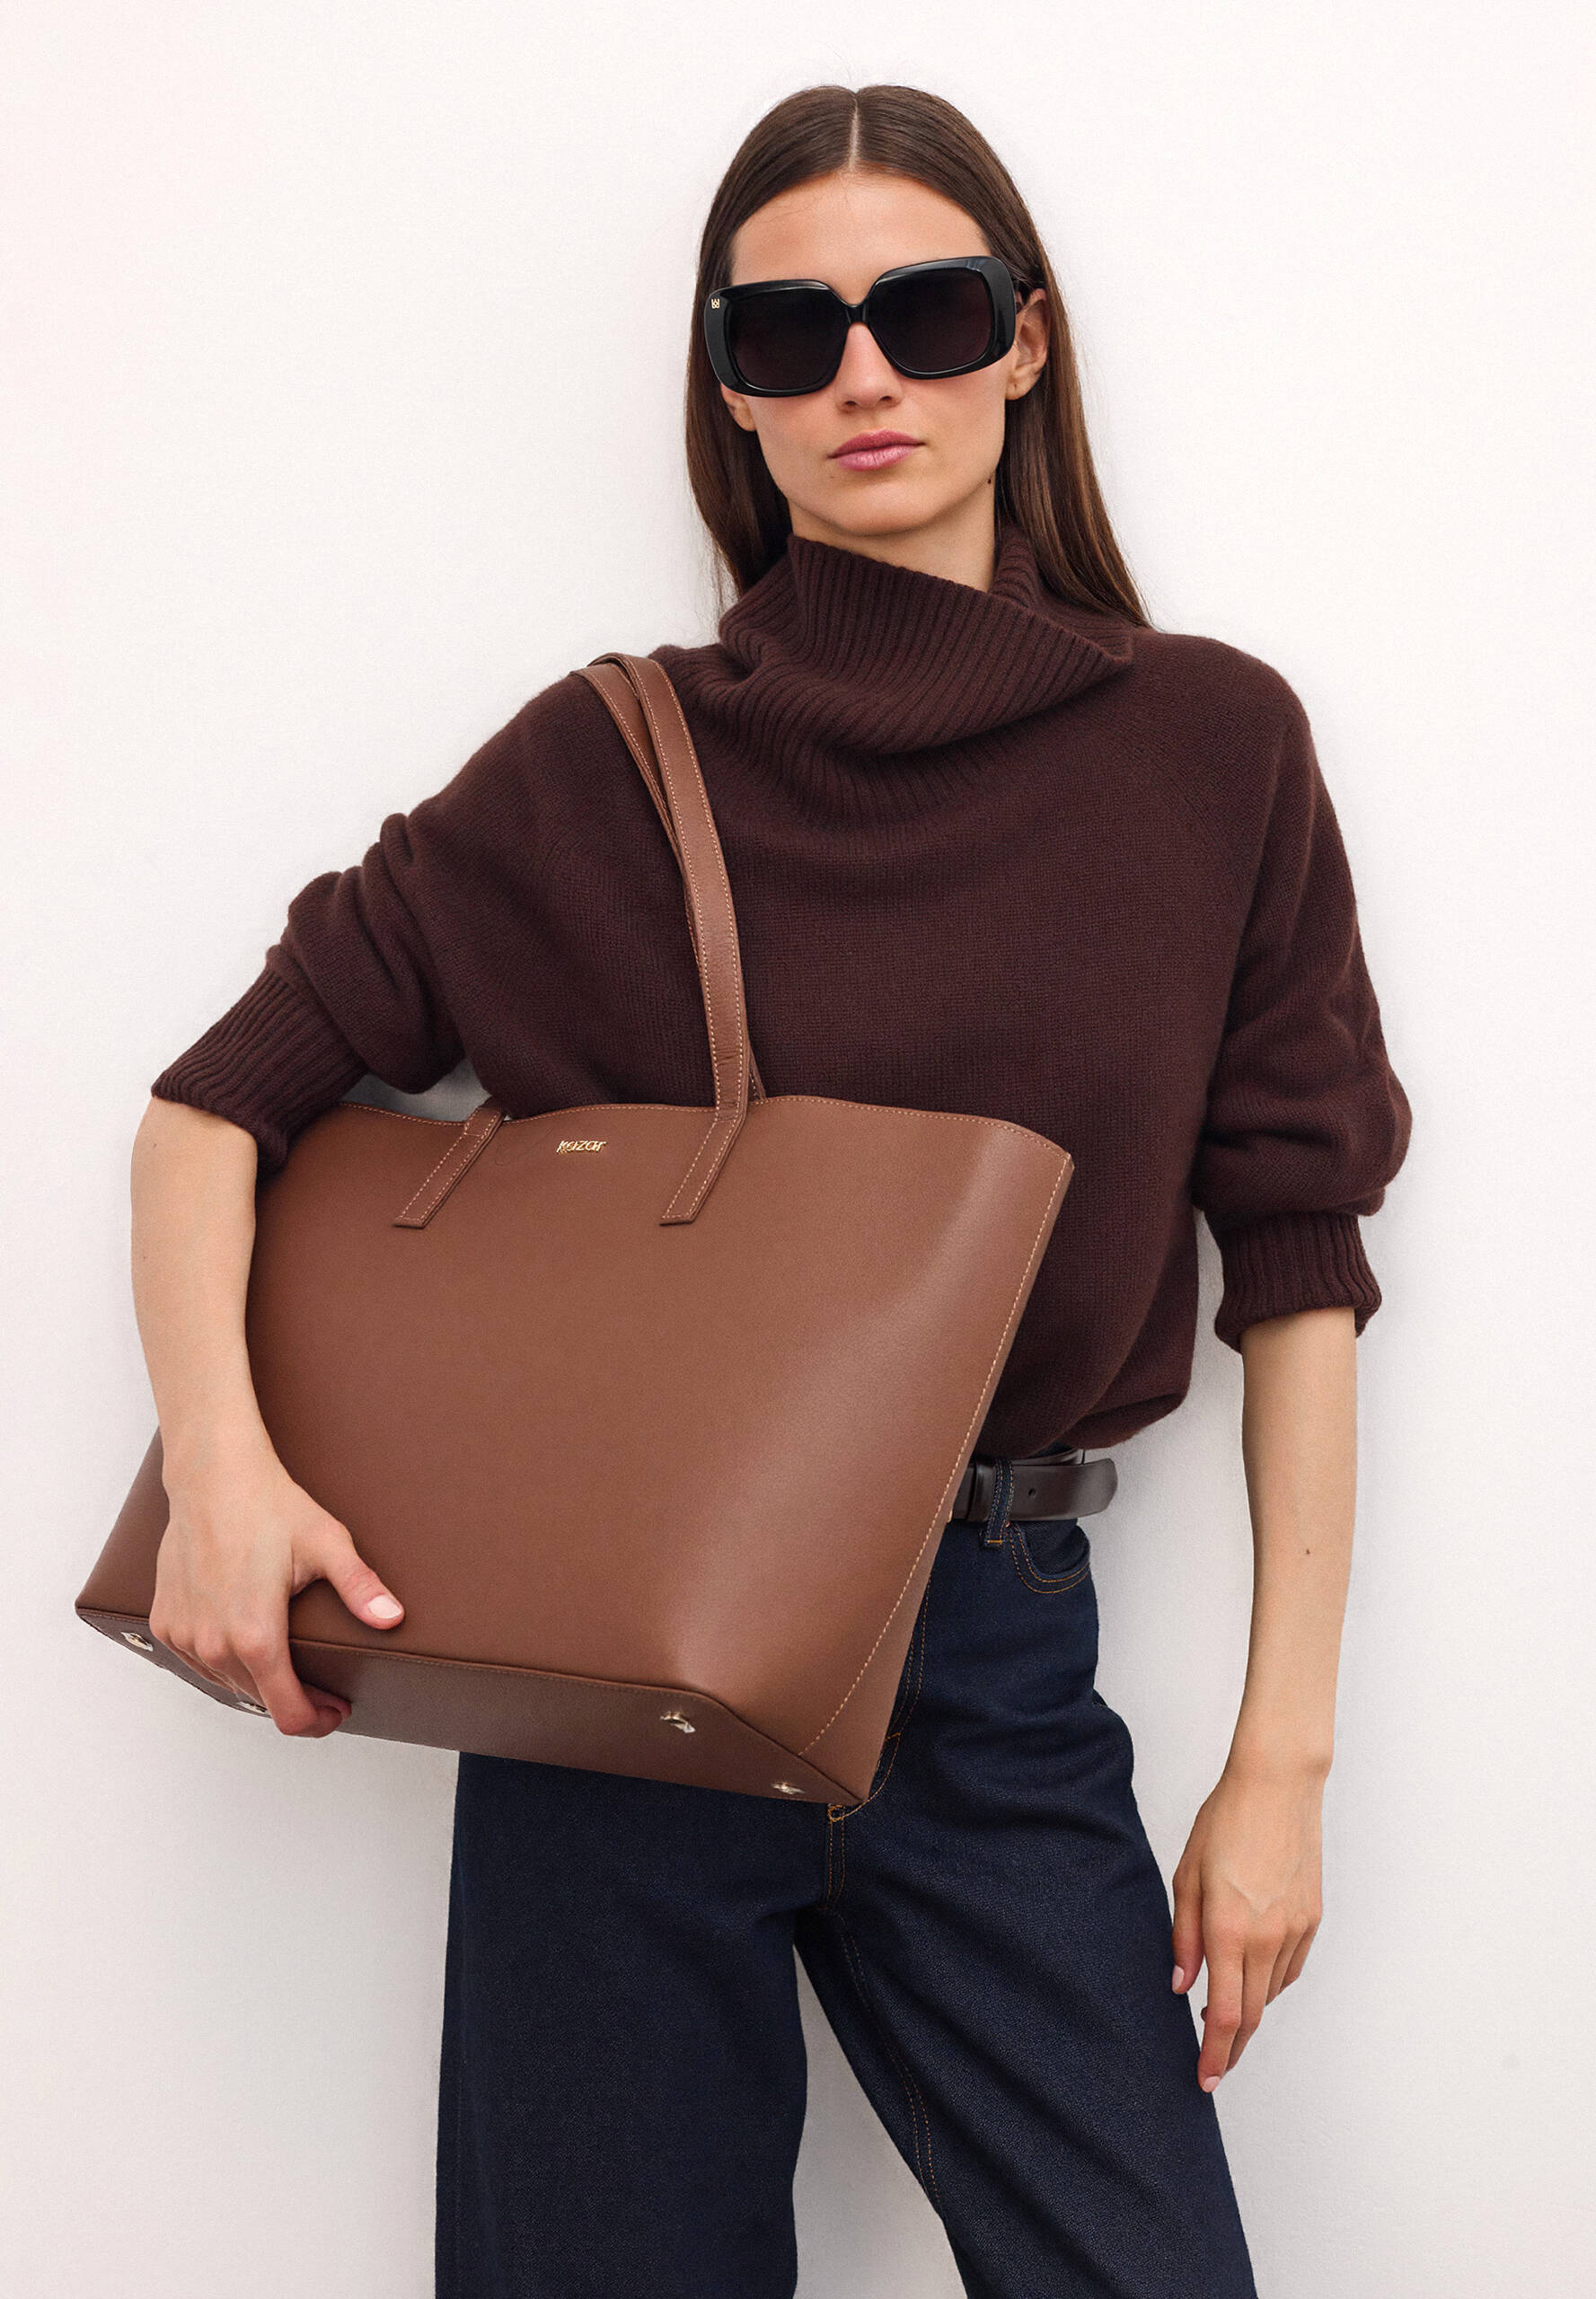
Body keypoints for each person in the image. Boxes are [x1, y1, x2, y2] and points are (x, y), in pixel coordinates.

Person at [130, 81, 1412, 2299]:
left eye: (929, 311)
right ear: (728, 388)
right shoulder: (607, 760)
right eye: (788, 333)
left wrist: (1277, 1760)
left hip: (987, 1647)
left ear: (1026, 340)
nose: (863, 376)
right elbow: (208, 1108)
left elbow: (1297, 1254)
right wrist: (223, 1479)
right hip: (617, 1662)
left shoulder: (1210, 748)